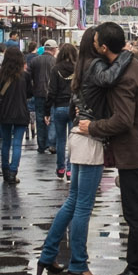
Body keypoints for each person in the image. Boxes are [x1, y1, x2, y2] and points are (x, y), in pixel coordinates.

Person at [79, 22, 138, 275]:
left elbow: (123, 121)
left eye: (96, 41)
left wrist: (93, 127)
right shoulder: (131, 66)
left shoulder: (124, 76)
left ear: (104, 47)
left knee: (135, 214)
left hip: (134, 151)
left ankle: (137, 270)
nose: (93, 45)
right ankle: (136, 267)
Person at [38, 28, 108, 275]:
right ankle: (78, 263)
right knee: (82, 207)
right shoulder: (96, 67)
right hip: (89, 137)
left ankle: (47, 254)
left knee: (73, 201)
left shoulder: (81, 67)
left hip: (79, 135)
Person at [0, 45, 31, 184]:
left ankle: (5, 171)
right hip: (21, 112)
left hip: (4, 113)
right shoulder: (24, 76)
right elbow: (30, 93)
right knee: (18, 144)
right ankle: (13, 172)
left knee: (6, 143)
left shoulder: (0, 75)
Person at [48, 43, 77, 177]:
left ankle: (60, 168)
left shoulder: (56, 69)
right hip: (73, 107)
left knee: (60, 140)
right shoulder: (77, 69)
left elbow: (52, 91)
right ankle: (70, 169)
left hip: (59, 107)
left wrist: (47, 110)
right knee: (73, 140)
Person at [28, 40, 56, 154]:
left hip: (38, 94)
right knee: (51, 119)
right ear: (53, 49)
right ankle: (51, 144)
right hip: (52, 95)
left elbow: (29, 77)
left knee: (40, 119)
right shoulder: (55, 61)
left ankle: (41, 145)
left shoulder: (35, 60)